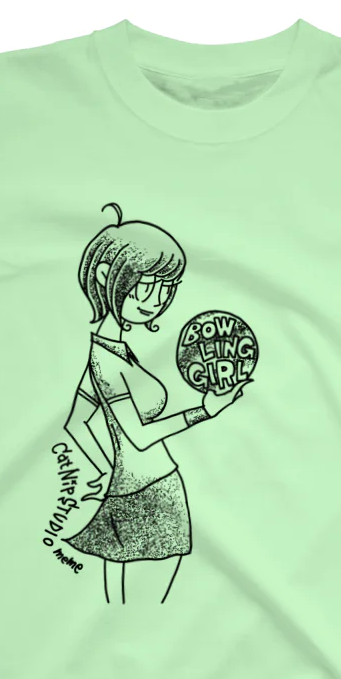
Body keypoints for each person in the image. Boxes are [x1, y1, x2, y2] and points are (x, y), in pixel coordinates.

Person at [62, 203, 249, 603]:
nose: (156, 300)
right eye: (146, 287)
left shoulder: (109, 352)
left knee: (123, 606)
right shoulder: (108, 362)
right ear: (106, 277)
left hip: (129, 491)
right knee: (145, 606)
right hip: (154, 493)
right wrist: (205, 410)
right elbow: (141, 437)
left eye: (165, 289)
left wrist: (107, 469)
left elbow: (76, 423)